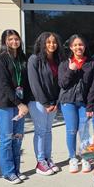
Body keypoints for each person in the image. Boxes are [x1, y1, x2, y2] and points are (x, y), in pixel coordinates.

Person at [0, 29, 32, 184]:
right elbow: (3, 84)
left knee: (17, 138)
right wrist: (20, 104)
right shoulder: (0, 59)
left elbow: (26, 82)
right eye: (10, 39)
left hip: (20, 104)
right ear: (5, 42)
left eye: (16, 39)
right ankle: (8, 172)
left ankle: (16, 170)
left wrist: (25, 102)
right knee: (7, 139)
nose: (14, 42)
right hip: (5, 105)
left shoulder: (22, 58)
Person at [58, 34, 94, 173]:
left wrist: (90, 105)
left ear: (84, 46)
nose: (78, 47)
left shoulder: (91, 63)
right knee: (71, 130)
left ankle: (86, 158)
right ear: (71, 47)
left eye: (80, 44)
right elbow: (62, 84)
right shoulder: (65, 63)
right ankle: (72, 158)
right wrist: (71, 70)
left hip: (83, 102)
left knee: (85, 131)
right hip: (68, 102)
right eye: (75, 45)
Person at [28, 32, 64, 176]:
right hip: (38, 102)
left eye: (54, 42)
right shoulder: (34, 59)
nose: (51, 45)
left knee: (48, 130)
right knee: (41, 131)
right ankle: (40, 161)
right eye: (48, 42)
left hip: (52, 102)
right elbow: (34, 83)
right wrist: (45, 103)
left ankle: (48, 159)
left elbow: (59, 83)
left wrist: (56, 102)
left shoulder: (57, 60)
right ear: (42, 43)